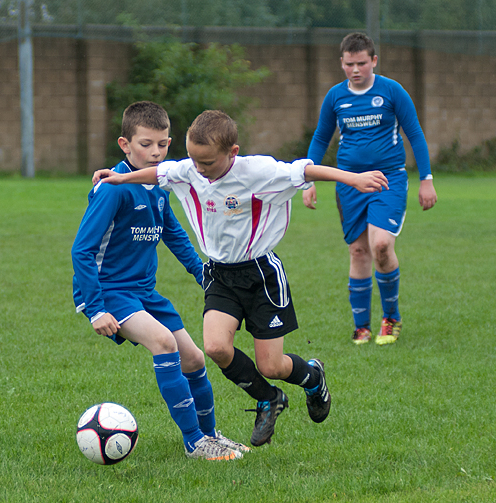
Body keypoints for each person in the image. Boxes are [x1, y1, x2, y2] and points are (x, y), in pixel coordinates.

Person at [93, 110, 389, 447]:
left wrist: (353, 179)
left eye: (207, 162)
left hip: (262, 275)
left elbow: (305, 169)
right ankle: (268, 399)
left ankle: (312, 377)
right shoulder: (190, 168)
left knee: (272, 365)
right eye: (193, 160)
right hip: (220, 274)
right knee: (216, 348)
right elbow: (159, 172)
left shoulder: (258, 171)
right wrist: (119, 179)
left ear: (232, 153)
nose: (199, 170)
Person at [72, 102, 247, 461]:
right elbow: (81, 251)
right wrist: (94, 309)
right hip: (110, 293)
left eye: (163, 144)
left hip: (144, 293)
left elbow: (177, 238)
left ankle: (211, 435)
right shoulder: (113, 189)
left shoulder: (158, 186)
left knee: (195, 359)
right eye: (146, 144)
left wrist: (207, 278)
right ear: (125, 144)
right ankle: (194, 442)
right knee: (164, 344)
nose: (156, 152)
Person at [304, 32, 438, 346]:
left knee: (380, 246)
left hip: (387, 180)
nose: (355, 70)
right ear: (341, 62)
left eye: (362, 63)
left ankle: (390, 318)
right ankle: (361, 326)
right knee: (359, 251)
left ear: (374, 61)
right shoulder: (336, 97)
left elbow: (415, 135)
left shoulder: (392, 91)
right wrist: (307, 179)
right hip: (349, 183)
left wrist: (427, 179)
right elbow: (321, 138)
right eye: (349, 64)